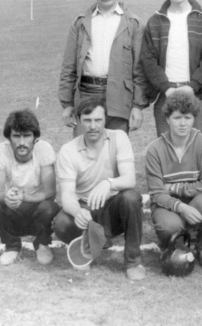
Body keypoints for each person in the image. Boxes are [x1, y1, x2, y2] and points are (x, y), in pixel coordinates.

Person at [53, 98, 145, 280]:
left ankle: (133, 262)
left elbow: (130, 179)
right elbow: (67, 196)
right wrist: (78, 212)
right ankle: (88, 244)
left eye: (98, 120)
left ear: (106, 119)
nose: (93, 126)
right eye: (87, 120)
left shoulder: (119, 137)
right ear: (79, 120)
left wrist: (108, 183)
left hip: (113, 207)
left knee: (131, 198)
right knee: (61, 223)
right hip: (86, 208)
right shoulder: (68, 150)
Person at [58, 0, 147, 136]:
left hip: (119, 97)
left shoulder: (134, 24)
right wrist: (67, 104)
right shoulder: (80, 23)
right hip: (87, 95)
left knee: (114, 148)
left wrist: (137, 106)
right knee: (85, 148)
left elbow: (140, 71)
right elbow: (68, 67)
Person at [140, 0, 202, 137]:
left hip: (195, 95)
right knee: (167, 149)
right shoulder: (155, 21)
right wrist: (166, 88)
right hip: (166, 95)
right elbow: (148, 59)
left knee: (196, 148)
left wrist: (193, 87)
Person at [145, 92, 202, 267]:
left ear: (194, 118)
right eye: (177, 118)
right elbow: (157, 193)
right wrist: (181, 207)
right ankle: (175, 244)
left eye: (188, 117)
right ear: (167, 119)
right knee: (170, 225)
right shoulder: (155, 149)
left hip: (196, 201)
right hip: (167, 205)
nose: (183, 123)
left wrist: (174, 188)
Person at [0, 109, 60, 265]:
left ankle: (42, 243)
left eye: (27, 135)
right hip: (13, 210)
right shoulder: (0, 151)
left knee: (50, 208)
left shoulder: (44, 149)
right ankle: (12, 245)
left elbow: (51, 193)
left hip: (37, 212)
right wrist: (6, 197)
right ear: (9, 138)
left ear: (35, 137)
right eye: (16, 136)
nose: (22, 142)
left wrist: (25, 197)